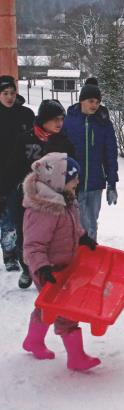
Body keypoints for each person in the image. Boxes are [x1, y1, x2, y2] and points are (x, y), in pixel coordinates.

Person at [21, 152, 101, 371]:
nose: (75, 189)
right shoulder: (43, 210)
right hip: (47, 270)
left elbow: (71, 228)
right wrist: (42, 268)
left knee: (48, 309)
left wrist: (82, 236)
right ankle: (76, 358)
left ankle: (33, 341)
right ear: (57, 181)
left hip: (64, 267)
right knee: (67, 313)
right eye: (73, 185)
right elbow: (33, 245)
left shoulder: (65, 200)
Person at [5, 99, 75, 289]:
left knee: (52, 235)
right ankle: (28, 268)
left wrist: (73, 191)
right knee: (26, 235)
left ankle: (47, 267)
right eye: (54, 119)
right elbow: (13, 167)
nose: (59, 123)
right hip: (27, 197)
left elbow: (72, 170)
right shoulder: (25, 138)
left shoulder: (63, 141)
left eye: (61, 119)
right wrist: (4, 192)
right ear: (43, 120)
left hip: (54, 199)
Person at [62, 78, 119, 241]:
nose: (95, 105)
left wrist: (112, 184)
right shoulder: (69, 121)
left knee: (91, 222)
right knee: (74, 222)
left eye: (98, 102)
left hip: (95, 182)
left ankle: (90, 255)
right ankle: (74, 256)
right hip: (73, 184)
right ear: (82, 100)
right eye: (91, 101)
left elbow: (110, 154)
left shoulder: (104, 123)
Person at [0, 75, 35, 273]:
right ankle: (9, 255)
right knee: (6, 218)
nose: (9, 97)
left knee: (22, 217)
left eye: (12, 93)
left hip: (23, 174)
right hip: (1, 174)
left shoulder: (26, 114)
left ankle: (23, 254)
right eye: (5, 93)